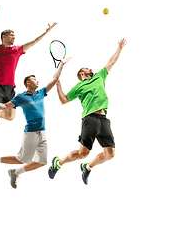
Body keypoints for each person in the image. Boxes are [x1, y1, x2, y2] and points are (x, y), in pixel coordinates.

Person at [0, 57, 71, 189]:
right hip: (31, 133)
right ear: (28, 82)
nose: (37, 81)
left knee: (42, 161)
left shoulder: (41, 93)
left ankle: (15, 172)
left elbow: (55, 80)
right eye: (35, 79)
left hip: (43, 132)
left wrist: (61, 64)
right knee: (21, 159)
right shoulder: (21, 97)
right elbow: (5, 106)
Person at [48, 39, 128, 185]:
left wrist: (119, 48)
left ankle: (87, 167)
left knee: (110, 154)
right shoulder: (78, 86)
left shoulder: (99, 76)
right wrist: (58, 85)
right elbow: (64, 100)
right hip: (89, 119)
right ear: (82, 73)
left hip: (104, 119)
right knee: (83, 153)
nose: (91, 69)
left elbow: (111, 62)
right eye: (87, 69)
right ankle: (58, 163)